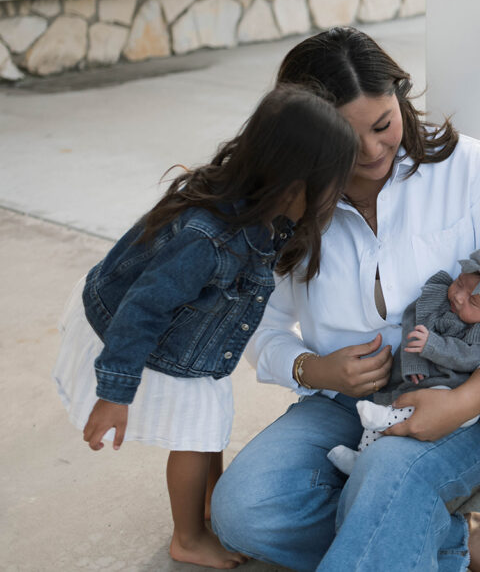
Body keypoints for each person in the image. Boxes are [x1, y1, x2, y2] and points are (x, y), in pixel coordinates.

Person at [208, 27, 480, 572]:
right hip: (342, 403)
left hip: (466, 401)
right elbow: (261, 327)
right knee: (243, 513)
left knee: (384, 475)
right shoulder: (292, 204)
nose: (374, 151)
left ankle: (396, 522)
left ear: (399, 96)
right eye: (348, 143)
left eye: (383, 124)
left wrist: (466, 401)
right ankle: (453, 544)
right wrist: (311, 368)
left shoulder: (467, 170)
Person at [52, 86, 358, 569]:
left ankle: (213, 500)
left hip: (187, 341)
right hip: (146, 339)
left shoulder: (258, 211)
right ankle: (188, 536)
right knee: (195, 437)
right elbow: (142, 308)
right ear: (295, 183)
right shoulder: (207, 239)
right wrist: (114, 392)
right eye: (332, 184)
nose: (337, 195)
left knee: (209, 423)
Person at [328, 245, 480, 474]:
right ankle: (361, 457)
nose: (458, 297)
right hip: (413, 379)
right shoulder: (437, 298)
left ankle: (386, 421)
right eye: (459, 283)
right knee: (383, 404)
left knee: (462, 412)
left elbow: (468, 356)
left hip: (448, 388)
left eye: (473, 301)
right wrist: (415, 362)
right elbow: (412, 324)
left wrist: (434, 346)